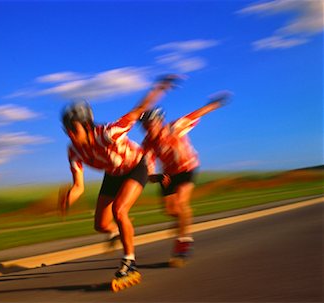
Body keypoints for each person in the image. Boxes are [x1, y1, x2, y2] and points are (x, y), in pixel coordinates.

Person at [59, 75, 178, 281]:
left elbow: (138, 110)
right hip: (113, 173)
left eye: (73, 128)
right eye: (67, 130)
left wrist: (159, 88)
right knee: (101, 225)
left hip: (136, 167)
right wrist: (68, 199)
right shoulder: (74, 152)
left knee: (119, 209)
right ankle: (119, 230)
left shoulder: (108, 133)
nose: (70, 134)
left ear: (87, 125)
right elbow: (78, 186)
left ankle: (129, 262)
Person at [140, 91, 231, 267]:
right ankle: (182, 222)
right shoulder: (147, 143)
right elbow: (149, 171)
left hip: (187, 168)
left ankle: (183, 243)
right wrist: (155, 177)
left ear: (159, 122)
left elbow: (197, 114)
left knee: (181, 204)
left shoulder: (175, 127)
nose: (147, 128)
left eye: (149, 124)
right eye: (144, 125)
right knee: (170, 210)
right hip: (168, 173)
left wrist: (215, 104)